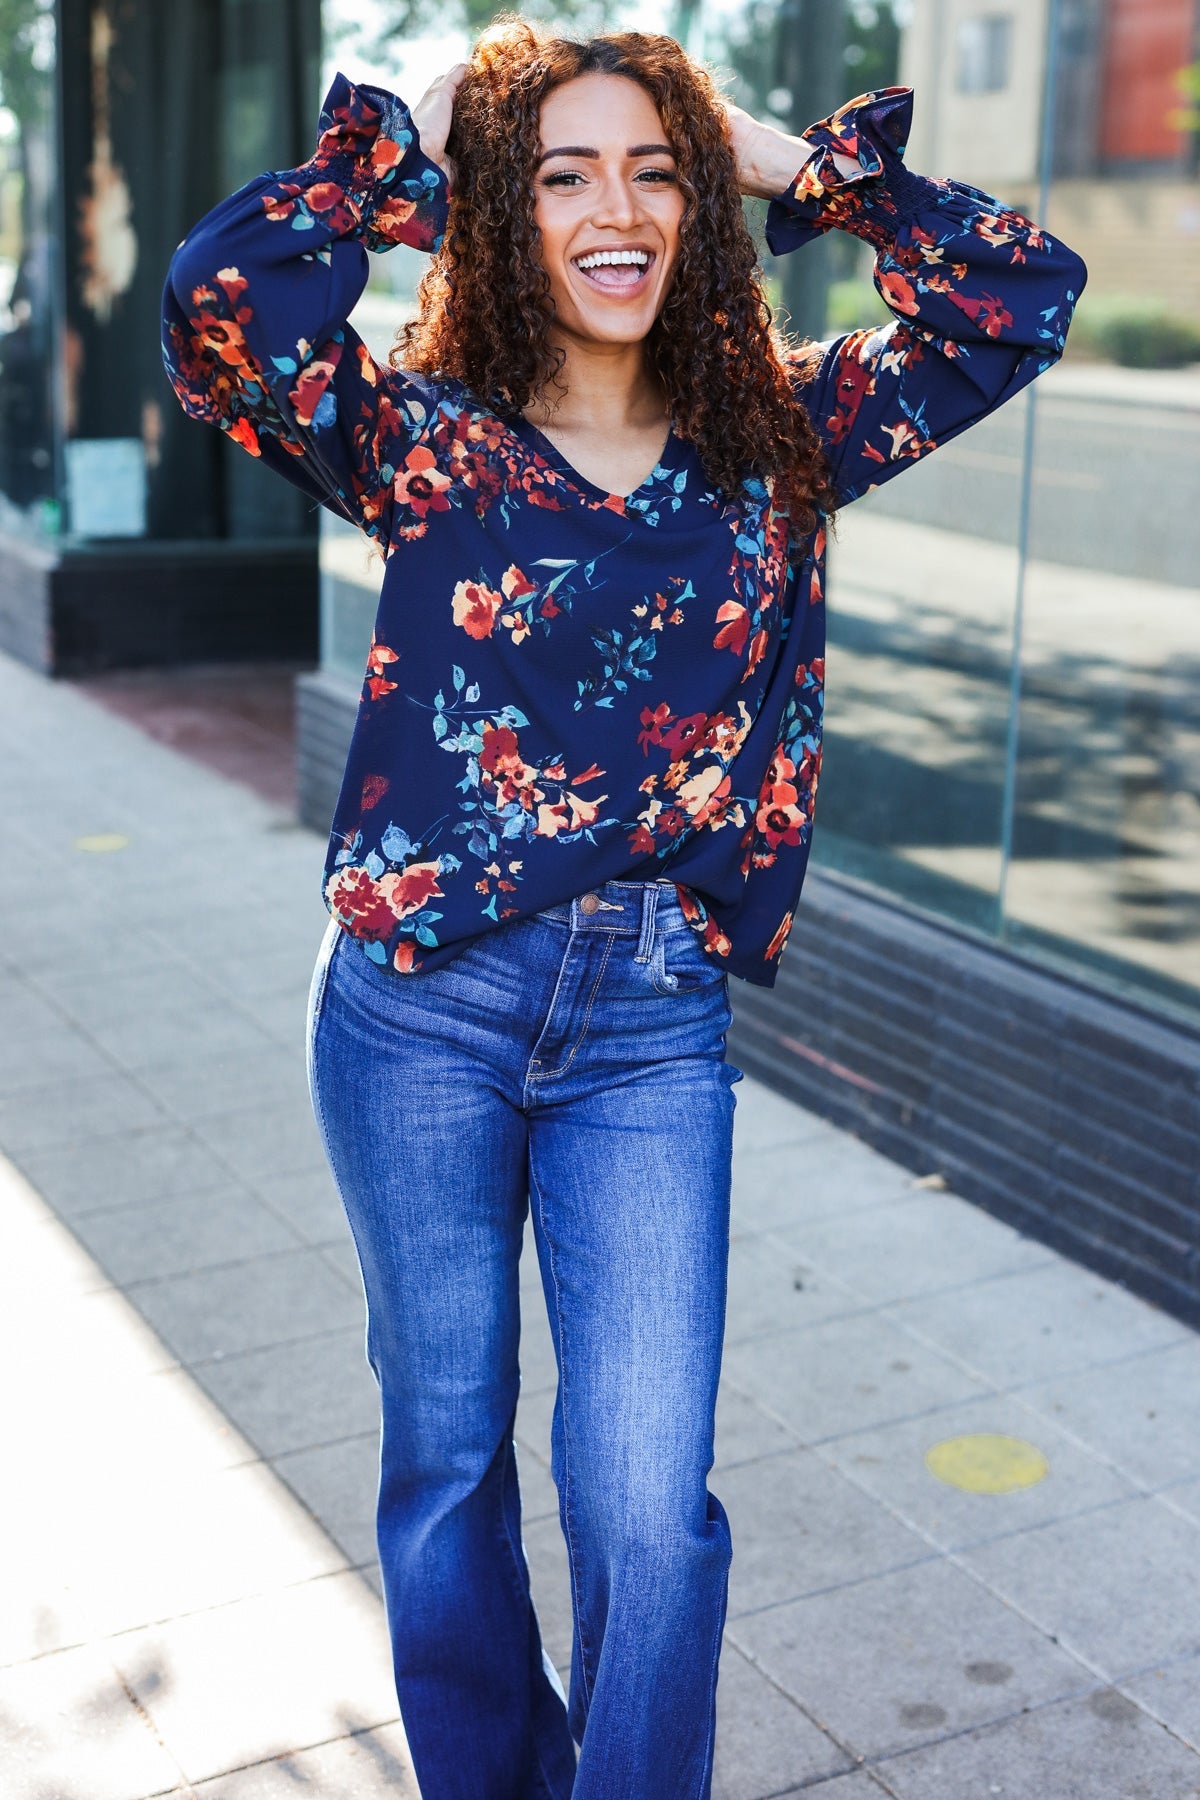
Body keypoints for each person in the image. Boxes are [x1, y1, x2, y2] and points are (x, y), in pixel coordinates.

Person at [162, 20, 1085, 1797]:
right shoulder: (419, 440)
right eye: (564, 173)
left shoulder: (782, 440)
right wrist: (409, 133)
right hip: (417, 1009)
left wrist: (760, 148)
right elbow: (224, 299)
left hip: (652, 1028)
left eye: (649, 176)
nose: (618, 208)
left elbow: (1015, 299)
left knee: (649, 1505)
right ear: (500, 215)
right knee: (447, 1462)